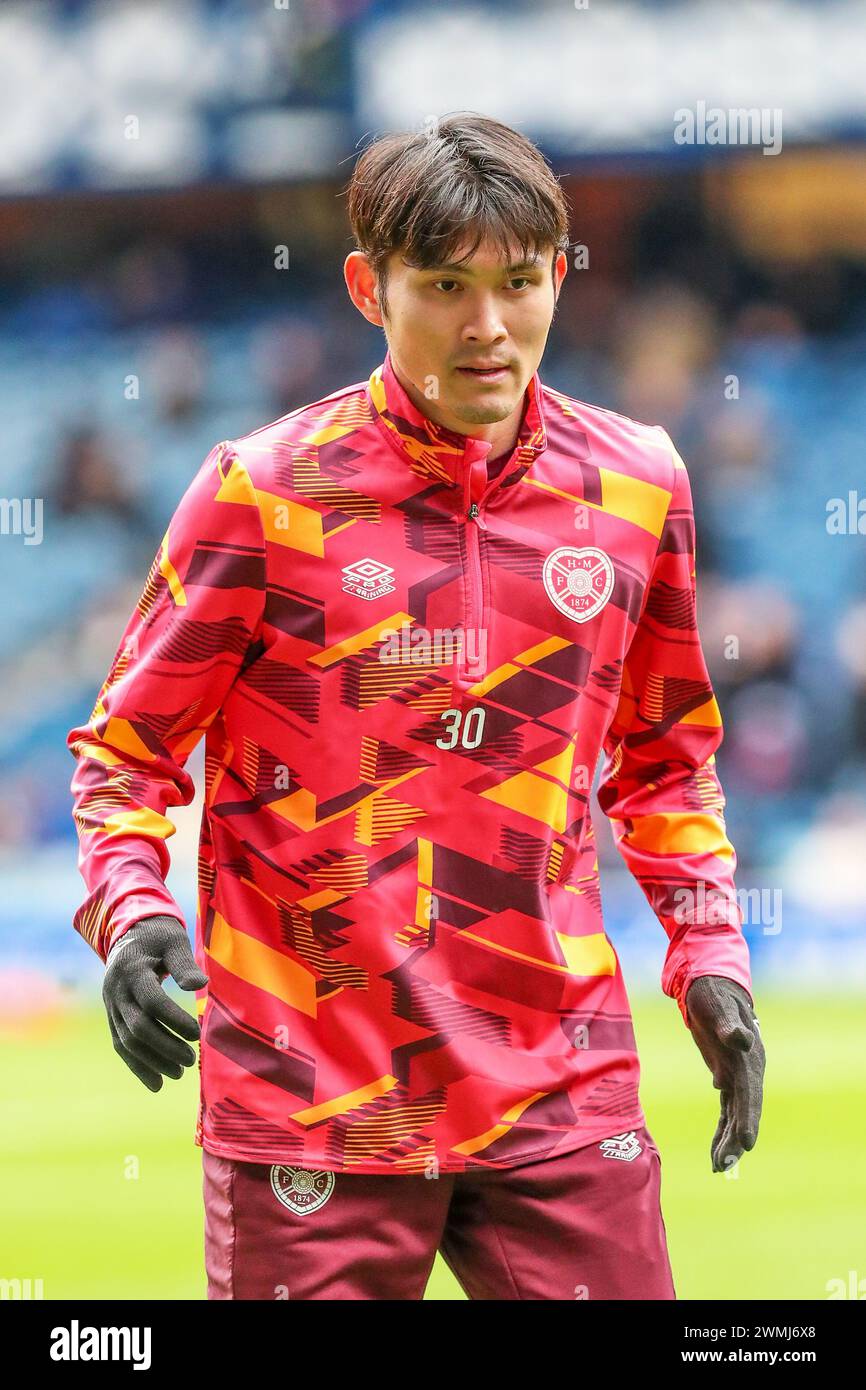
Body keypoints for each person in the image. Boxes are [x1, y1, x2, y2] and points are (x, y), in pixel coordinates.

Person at [67, 112, 765, 1301]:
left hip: (559, 1092)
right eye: (444, 284)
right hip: (312, 1099)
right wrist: (130, 912)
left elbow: (660, 761)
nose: (487, 327)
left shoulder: (639, 484)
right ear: (366, 286)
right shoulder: (260, 493)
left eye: (517, 280)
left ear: (558, 273)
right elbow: (125, 755)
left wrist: (709, 950)